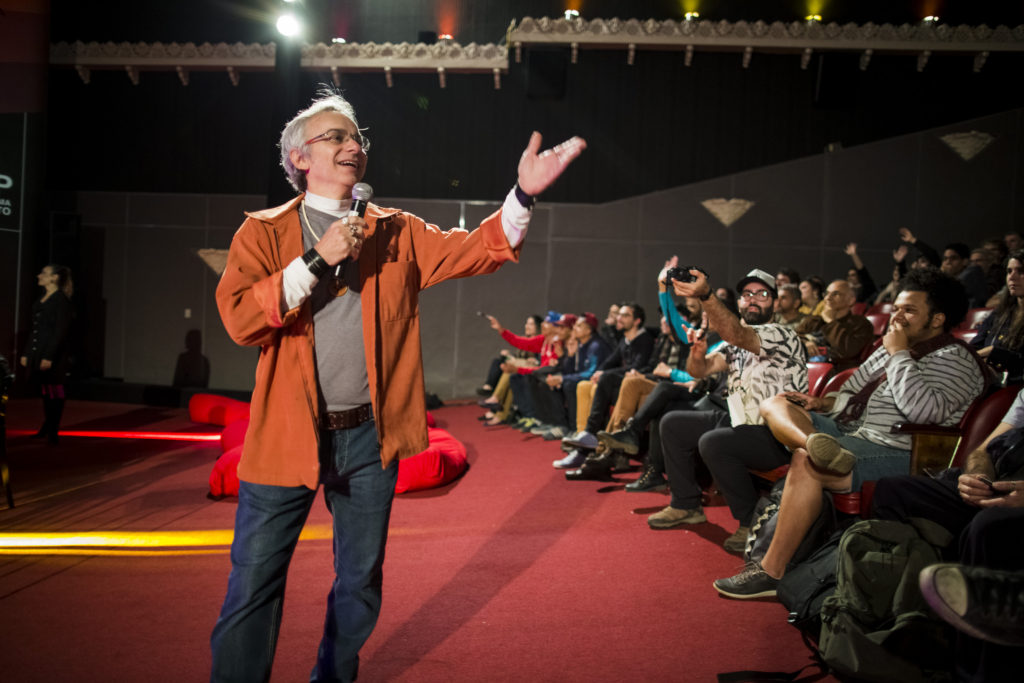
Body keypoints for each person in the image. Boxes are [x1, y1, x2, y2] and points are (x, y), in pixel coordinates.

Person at [211, 89, 585, 682]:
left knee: (358, 583)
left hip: (368, 440)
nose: (351, 146)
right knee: (254, 583)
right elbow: (239, 319)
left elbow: (475, 250)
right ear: (299, 158)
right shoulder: (263, 233)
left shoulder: (396, 232)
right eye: (333, 137)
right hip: (285, 437)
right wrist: (316, 259)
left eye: (356, 137)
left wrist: (523, 196)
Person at [713, 267, 987, 599]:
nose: (897, 317)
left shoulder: (954, 358)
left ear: (938, 319)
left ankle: (771, 572)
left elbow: (922, 411)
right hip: (853, 433)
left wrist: (899, 355)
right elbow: (850, 394)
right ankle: (815, 442)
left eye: (909, 310)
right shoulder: (889, 347)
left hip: (903, 452)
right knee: (778, 402)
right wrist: (822, 404)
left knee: (807, 464)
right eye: (896, 308)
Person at [874, 388, 1024, 682]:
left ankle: (972, 672)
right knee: (893, 492)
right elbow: (983, 449)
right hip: (1002, 483)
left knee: (988, 527)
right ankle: (894, 626)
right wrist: (978, 478)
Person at [648, 267, 807, 535]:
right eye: (747, 294)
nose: (753, 299)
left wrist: (706, 294)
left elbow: (736, 335)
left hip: (776, 433)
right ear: (740, 302)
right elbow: (698, 371)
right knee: (673, 423)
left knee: (713, 442)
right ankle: (686, 504)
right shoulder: (734, 341)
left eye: (762, 294)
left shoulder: (781, 334)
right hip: (739, 423)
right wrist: (697, 353)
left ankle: (749, 523)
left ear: (776, 303)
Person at [20, 264, 74, 445]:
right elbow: (35, 329)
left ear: (54, 278)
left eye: (44, 273)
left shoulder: (61, 301)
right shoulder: (42, 298)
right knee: (46, 390)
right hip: (40, 351)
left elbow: (60, 331)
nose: (39, 275)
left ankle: (53, 430)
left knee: (55, 390)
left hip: (54, 354)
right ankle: (48, 425)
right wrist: (28, 352)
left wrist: (49, 357)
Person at [794, 279, 874, 372]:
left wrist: (830, 321)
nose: (828, 298)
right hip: (805, 371)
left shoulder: (860, 324)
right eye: (827, 293)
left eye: (836, 294)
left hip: (839, 374)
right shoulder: (815, 320)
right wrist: (805, 343)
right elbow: (793, 336)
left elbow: (845, 351)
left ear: (851, 300)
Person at [970, 250, 1024, 384]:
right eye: (1009, 271)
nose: (1012, 277)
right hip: (985, 380)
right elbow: (975, 346)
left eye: (1021, 271)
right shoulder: (1000, 312)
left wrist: (996, 354)